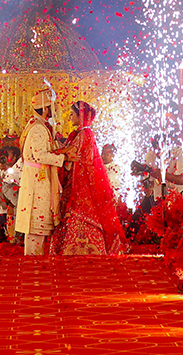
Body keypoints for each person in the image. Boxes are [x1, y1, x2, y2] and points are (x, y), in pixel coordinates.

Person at [50, 101, 127, 255]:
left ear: (81, 116)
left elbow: (71, 152)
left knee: (80, 211)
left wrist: (52, 152)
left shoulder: (85, 133)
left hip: (81, 183)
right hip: (77, 180)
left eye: (72, 114)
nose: (70, 117)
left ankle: (81, 248)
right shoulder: (81, 134)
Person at [14, 84, 65, 256]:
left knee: (39, 227)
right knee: (36, 225)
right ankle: (33, 264)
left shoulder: (39, 125)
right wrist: (62, 159)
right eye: (52, 108)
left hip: (38, 178)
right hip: (37, 180)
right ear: (45, 109)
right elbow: (40, 155)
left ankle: (36, 262)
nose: (53, 112)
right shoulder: (37, 128)